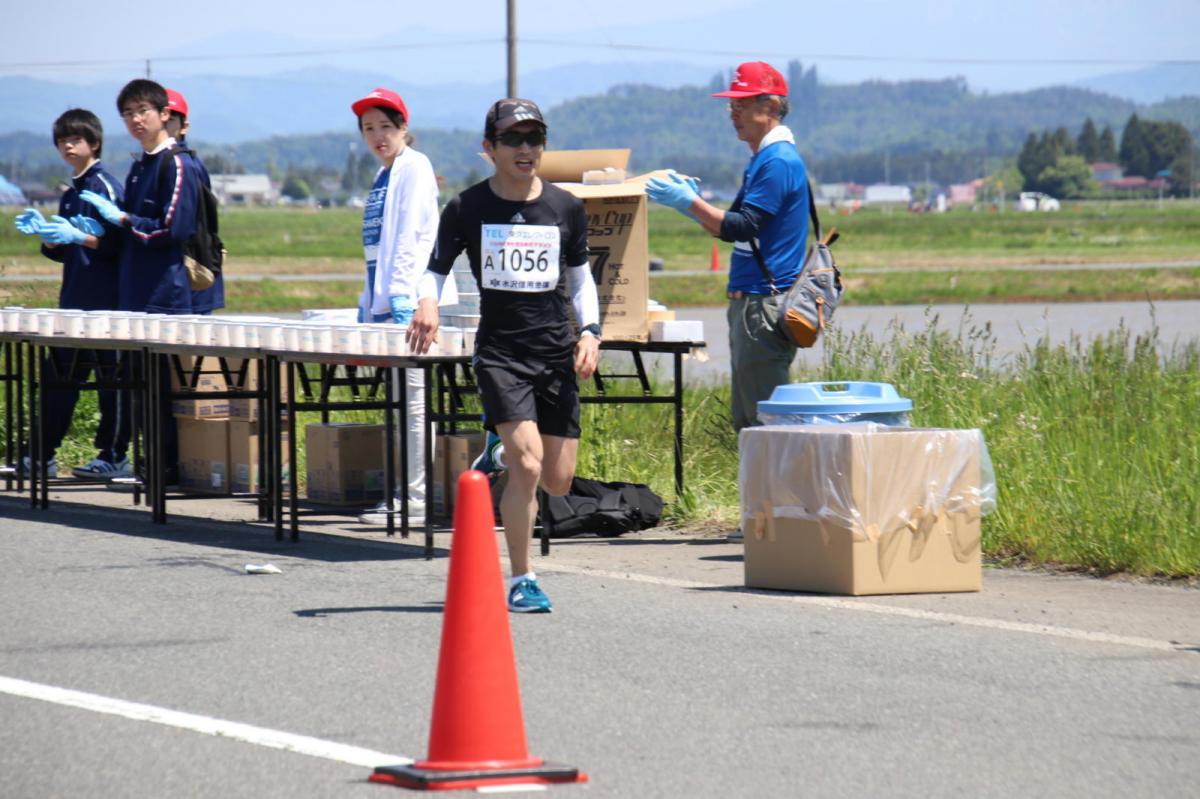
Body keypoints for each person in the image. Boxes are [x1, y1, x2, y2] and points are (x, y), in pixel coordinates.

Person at [407, 98, 601, 613]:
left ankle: (497, 447)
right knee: (529, 467)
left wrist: (591, 333)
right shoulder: (467, 207)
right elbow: (434, 270)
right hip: (501, 354)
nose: (525, 148)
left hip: (555, 354)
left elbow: (581, 280)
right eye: (513, 139)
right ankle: (522, 579)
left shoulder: (565, 207)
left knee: (558, 481)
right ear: (489, 148)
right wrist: (427, 303)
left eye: (534, 138)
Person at [645, 61, 809, 434]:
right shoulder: (764, 158)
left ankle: (774, 476)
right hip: (752, 303)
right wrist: (690, 206)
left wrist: (688, 202)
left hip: (762, 302)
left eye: (741, 105)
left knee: (765, 423)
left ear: (770, 106)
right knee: (750, 418)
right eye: (731, 106)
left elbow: (743, 226)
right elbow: (729, 228)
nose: (733, 114)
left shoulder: (777, 161)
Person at [80, 78, 206, 483]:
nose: (136, 119)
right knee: (138, 387)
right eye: (128, 114)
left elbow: (173, 228)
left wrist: (124, 219)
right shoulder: (139, 166)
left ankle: (167, 468)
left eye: (143, 111)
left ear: (164, 114)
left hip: (163, 295)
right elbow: (131, 231)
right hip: (133, 293)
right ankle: (147, 463)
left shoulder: (176, 163)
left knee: (162, 389)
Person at [12, 108, 131, 479]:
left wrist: (82, 237)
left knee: (112, 383)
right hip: (74, 301)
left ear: (94, 143)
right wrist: (49, 238)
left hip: (107, 303)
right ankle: (40, 455)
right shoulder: (71, 192)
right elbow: (67, 252)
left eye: (75, 139)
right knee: (58, 380)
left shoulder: (104, 187)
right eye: (62, 140)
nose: (67, 146)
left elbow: (120, 247)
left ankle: (114, 455)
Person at [349, 88, 441, 526]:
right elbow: (377, 251)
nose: (378, 136)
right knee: (401, 404)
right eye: (369, 129)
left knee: (415, 403)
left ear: (404, 127)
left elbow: (412, 238)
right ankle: (406, 494)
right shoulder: (383, 175)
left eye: (386, 126)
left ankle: (416, 500)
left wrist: (404, 297)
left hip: (409, 302)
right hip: (387, 301)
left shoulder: (413, 167)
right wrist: (369, 304)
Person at [165, 87, 225, 316]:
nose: (164, 126)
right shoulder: (157, 163)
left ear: (184, 127)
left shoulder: (185, 165)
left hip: (191, 268)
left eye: (170, 120)